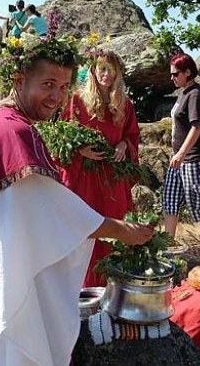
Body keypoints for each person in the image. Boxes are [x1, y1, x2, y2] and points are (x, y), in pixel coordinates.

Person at [0, 36, 154, 366]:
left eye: (64, 87)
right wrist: (119, 229)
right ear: (19, 80)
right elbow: (45, 212)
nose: (57, 97)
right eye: (48, 84)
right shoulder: (11, 133)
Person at [59, 50, 141, 287]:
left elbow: (131, 134)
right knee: (84, 230)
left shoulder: (124, 104)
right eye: (102, 69)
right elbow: (65, 134)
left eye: (111, 70)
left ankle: (112, 286)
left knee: (113, 230)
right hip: (84, 177)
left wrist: (124, 145)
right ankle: (81, 288)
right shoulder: (77, 99)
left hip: (112, 180)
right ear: (93, 71)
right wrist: (81, 149)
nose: (106, 74)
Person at [163, 53, 200, 243]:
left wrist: (181, 153)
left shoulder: (195, 94)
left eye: (175, 74)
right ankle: (168, 242)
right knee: (170, 199)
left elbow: (198, 126)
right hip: (179, 159)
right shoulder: (183, 92)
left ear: (187, 72)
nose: (172, 77)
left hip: (195, 158)